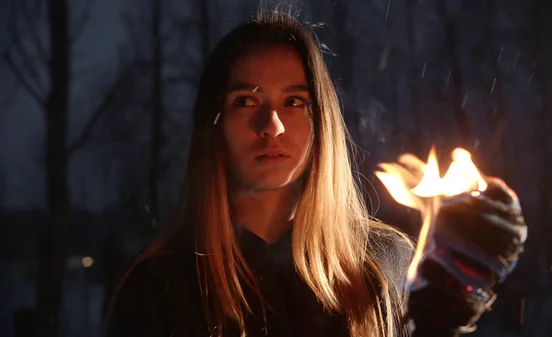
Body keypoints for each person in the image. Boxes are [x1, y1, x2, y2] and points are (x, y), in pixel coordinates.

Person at [103, 10, 527, 337]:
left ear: (321, 120)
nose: (272, 126)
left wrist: (446, 317)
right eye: (245, 102)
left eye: (294, 101)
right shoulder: (160, 288)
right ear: (213, 125)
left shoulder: (385, 262)